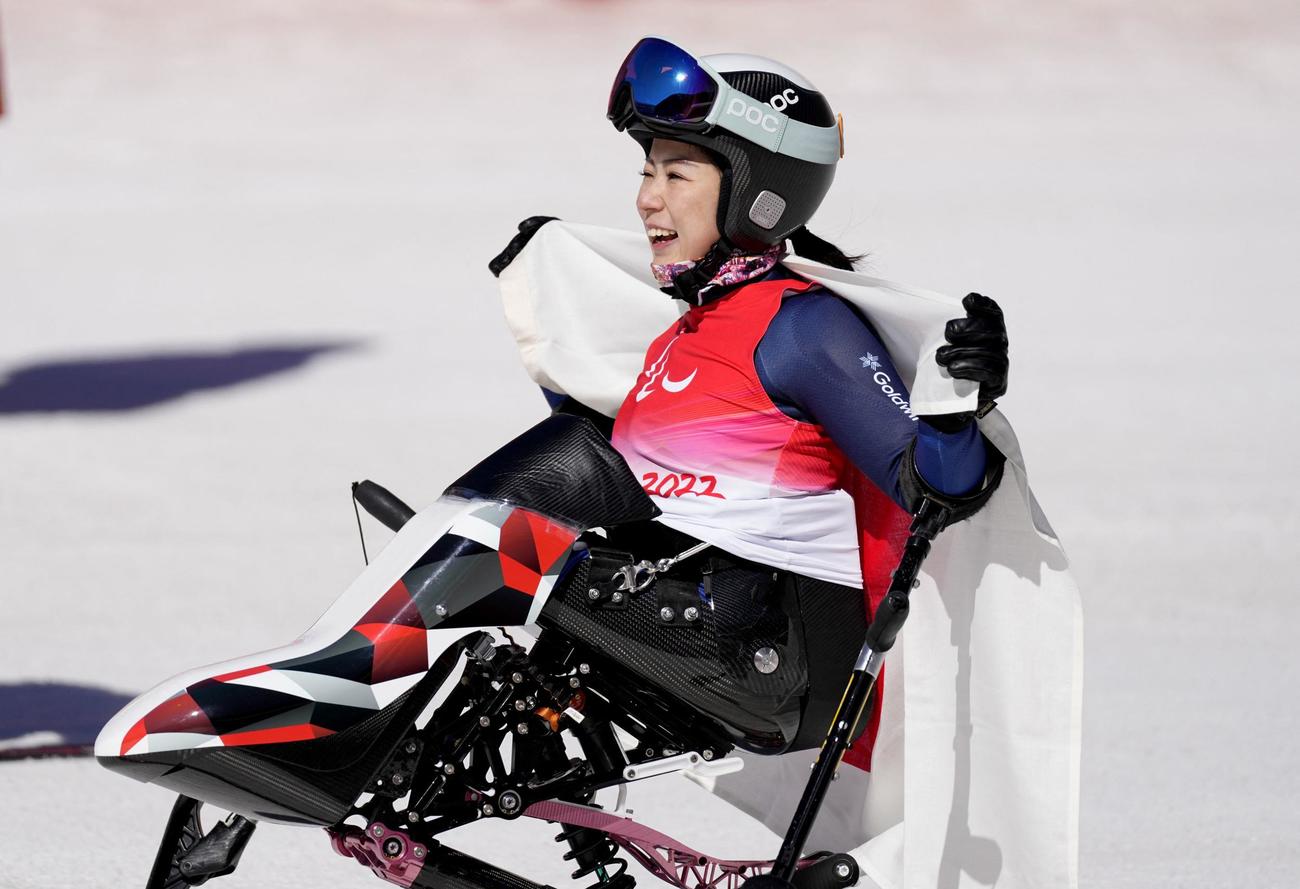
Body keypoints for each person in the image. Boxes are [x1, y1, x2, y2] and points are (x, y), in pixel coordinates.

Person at [489, 37, 1079, 889]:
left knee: (493, 544)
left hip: (756, 644)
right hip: (667, 614)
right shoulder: (681, 332)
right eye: (646, 171)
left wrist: (959, 401)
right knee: (504, 560)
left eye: (675, 175)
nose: (648, 200)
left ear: (759, 197)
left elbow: (939, 487)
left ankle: (308, 735)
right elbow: (636, 468)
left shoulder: (802, 326)